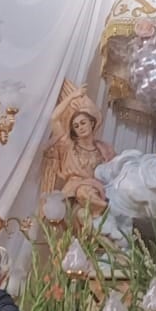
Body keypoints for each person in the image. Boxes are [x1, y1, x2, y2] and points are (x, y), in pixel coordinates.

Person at [40, 80, 116, 217]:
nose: (80, 127)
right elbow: (54, 119)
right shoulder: (69, 145)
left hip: (99, 191)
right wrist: (73, 96)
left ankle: (107, 212)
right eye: (76, 126)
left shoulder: (104, 149)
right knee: (83, 198)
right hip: (75, 196)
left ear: (92, 123)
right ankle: (106, 209)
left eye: (83, 123)